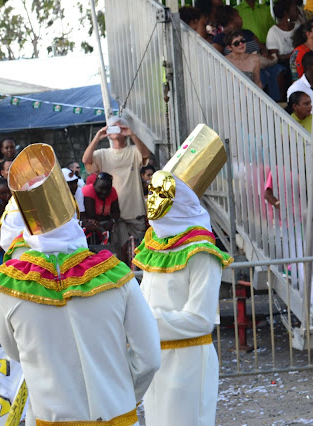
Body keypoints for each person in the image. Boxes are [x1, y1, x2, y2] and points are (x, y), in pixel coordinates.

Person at [0, 143, 161, 424]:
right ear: (74, 216)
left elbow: (14, 352)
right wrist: (123, 395)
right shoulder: (116, 276)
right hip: (116, 414)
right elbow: (149, 358)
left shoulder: (7, 287)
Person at [133, 124, 233, 426]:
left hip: (187, 363)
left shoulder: (201, 251)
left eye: (161, 195)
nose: (152, 202)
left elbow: (201, 319)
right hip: (154, 362)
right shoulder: (153, 246)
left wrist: (144, 324)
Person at [82, 117, 150, 253]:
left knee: (141, 252)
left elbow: (145, 154)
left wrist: (131, 134)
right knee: (119, 254)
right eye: (113, 127)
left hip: (135, 213)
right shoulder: (102, 154)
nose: (117, 129)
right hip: (113, 217)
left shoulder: (133, 151)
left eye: (120, 126)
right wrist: (97, 137)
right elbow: (86, 160)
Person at [82, 172, 121, 245]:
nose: (104, 192)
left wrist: (112, 221)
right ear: (94, 184)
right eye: (101, 188)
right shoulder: (88, 191)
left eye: (108, 189)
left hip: (105, 224)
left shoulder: (113, 191)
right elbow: (91, 215)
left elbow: (116, 212)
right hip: (90, 225)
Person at [267, 0, 300, 66]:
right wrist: (291, 56)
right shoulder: (273, 32)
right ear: (286, 13)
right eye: (295, 9)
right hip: (284, 66)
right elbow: (274, 58)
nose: (298, 12)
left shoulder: (298, 26)